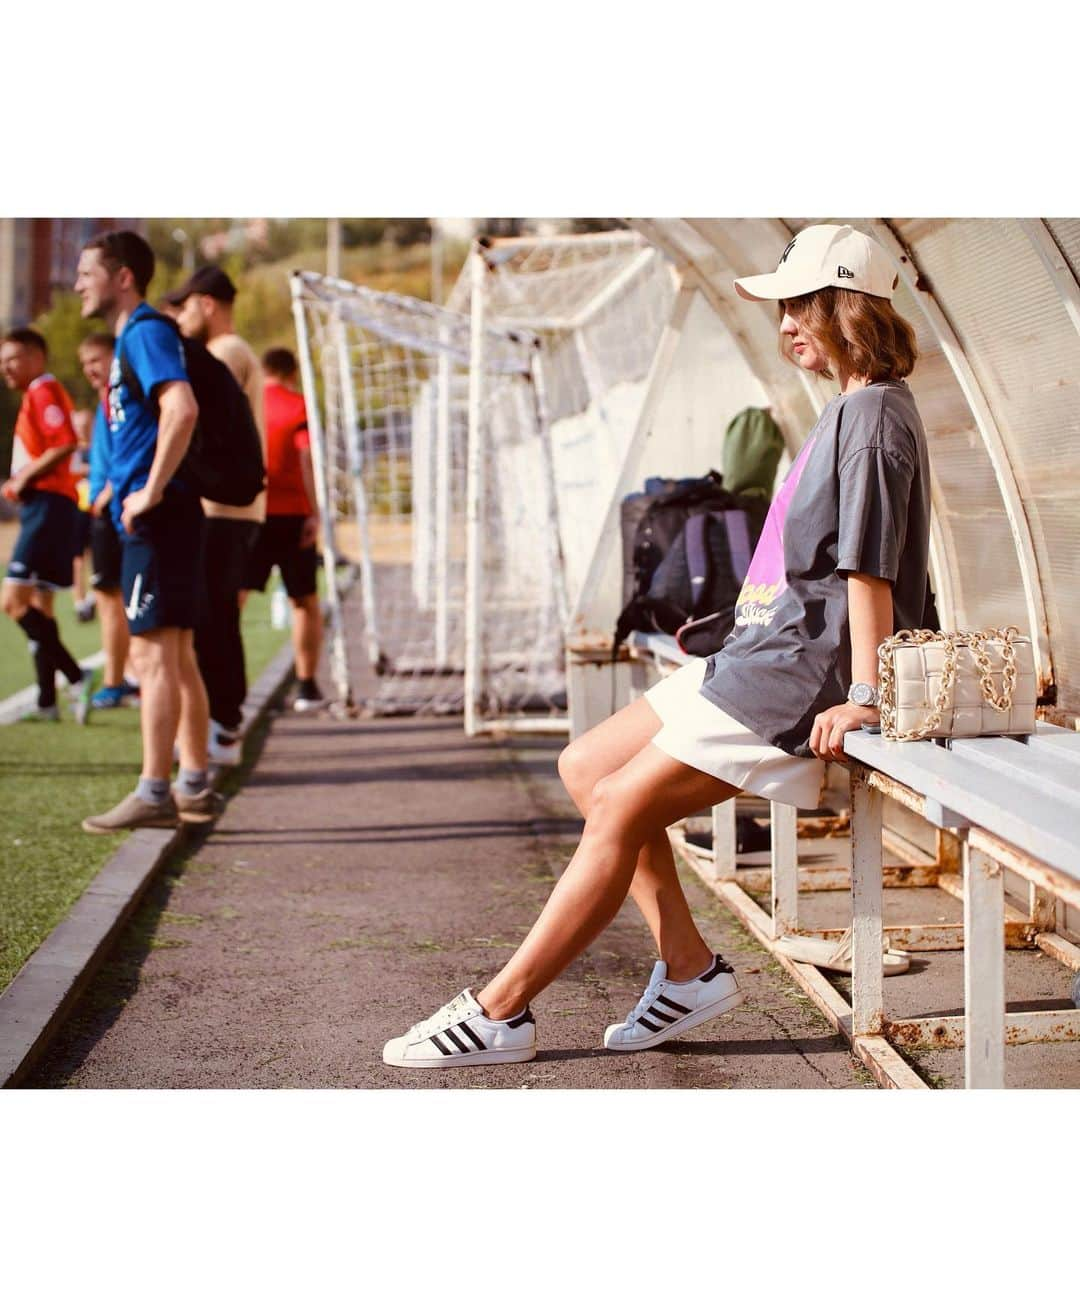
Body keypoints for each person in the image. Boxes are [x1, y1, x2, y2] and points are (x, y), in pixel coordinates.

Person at [382, 224, 932, 1069]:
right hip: (758, 655)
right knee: (584, 767)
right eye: (780, 307)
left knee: (618, 804)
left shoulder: (870, 419)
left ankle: (502, 1010)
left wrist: (863, 693)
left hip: (796, 676)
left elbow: (868, 572)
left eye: (798, 305)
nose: (784, 323)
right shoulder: (849, 408)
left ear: (844, 305)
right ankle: (687, 966)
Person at [74, 230, 219, 831]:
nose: (79, 283)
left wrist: (149, 492)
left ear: (123, 276)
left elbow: (180, 408)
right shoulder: (139, 335)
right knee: (175, 655)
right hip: (164, 518)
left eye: (88, 272)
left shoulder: (143, 332)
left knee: (153, 656)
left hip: (158, 519)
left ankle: (156, 791)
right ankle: (192, 782)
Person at [165, 266, 266, 765]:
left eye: (184, 308)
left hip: (225, 508)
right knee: (216, 616)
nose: (180, 320)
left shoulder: (223, 353)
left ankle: (223, 725)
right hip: (232, 508)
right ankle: (223, 724)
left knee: (212, 618)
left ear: (206, 304)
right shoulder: (234, 351)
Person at [0, 327, 93, 723]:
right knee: (42, 605)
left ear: (37, 357)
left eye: (12, 359)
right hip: (50, 507)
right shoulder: (35, 395)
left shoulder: (43, 390)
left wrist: (22, 479)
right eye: (2, 362)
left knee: (12, 602)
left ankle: (75, 674)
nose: (5, 368)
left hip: (49, 507)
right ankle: (46, 699)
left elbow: (64, 442)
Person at [243, 347, 325, 711]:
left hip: (250, 514)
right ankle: (307, 686)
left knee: (233, 601)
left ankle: (229, 688)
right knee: (304, 601)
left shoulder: (248, 403)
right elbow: (306, 457)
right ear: (292, 373)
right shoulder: (297, 406)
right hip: (292, 515)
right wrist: (314, 512)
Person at [77, 332, 140, 709]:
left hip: (114, 513)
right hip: (105, 510)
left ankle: (117, 679)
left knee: (112, 599)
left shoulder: (122, 400)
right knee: (111, 599)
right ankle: (127, 673)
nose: (89, 370)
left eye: (95, 361)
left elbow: (132, 449)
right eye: (84, 364)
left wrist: (110, 490)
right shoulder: (105, 402)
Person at [69, 409, 96, 622]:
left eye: (85, 424)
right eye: (78, 425)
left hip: (95, 508)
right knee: (77, 558)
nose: (82, 429)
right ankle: (79, 601)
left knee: (96, 555)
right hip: (77, 508)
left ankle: (94, 596)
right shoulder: (71, 450)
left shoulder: (98, 448)